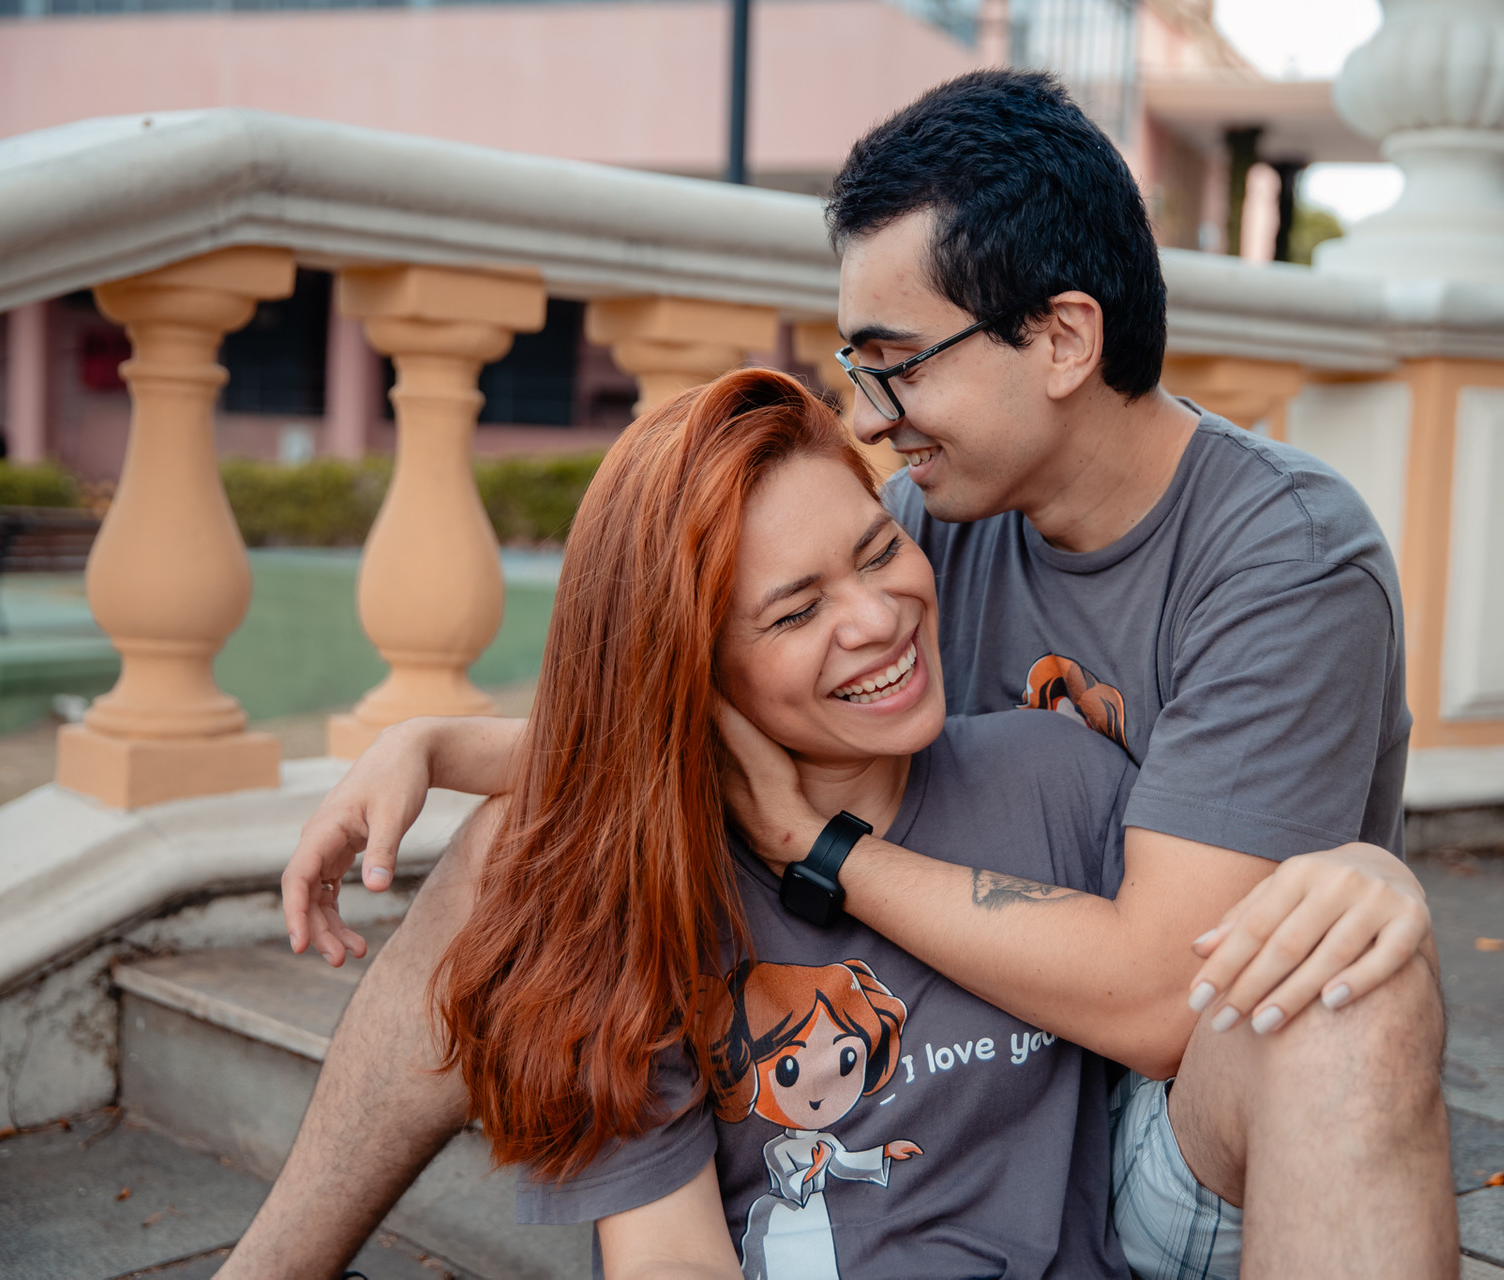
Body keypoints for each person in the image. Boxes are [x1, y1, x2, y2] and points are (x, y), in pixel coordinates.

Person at [222, 70, 1456, 1279]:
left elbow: (1159, 997)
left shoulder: (1286, 561)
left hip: (1166, 1112)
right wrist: (439, 746)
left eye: (899, 363)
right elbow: (705, 697)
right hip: (972, 1059)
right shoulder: (925, 521)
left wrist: (822, 851)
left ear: (1064, 338)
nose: (869, 420)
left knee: (1354, 1000)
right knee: (515, 844)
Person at [431, 369, 1147, 1277]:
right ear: (693, 670)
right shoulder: (640, 908)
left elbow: (1200, 1002)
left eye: (882, 551)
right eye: (799, 611)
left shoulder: (1062, 780)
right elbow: (666, 1259)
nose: (878, 619)